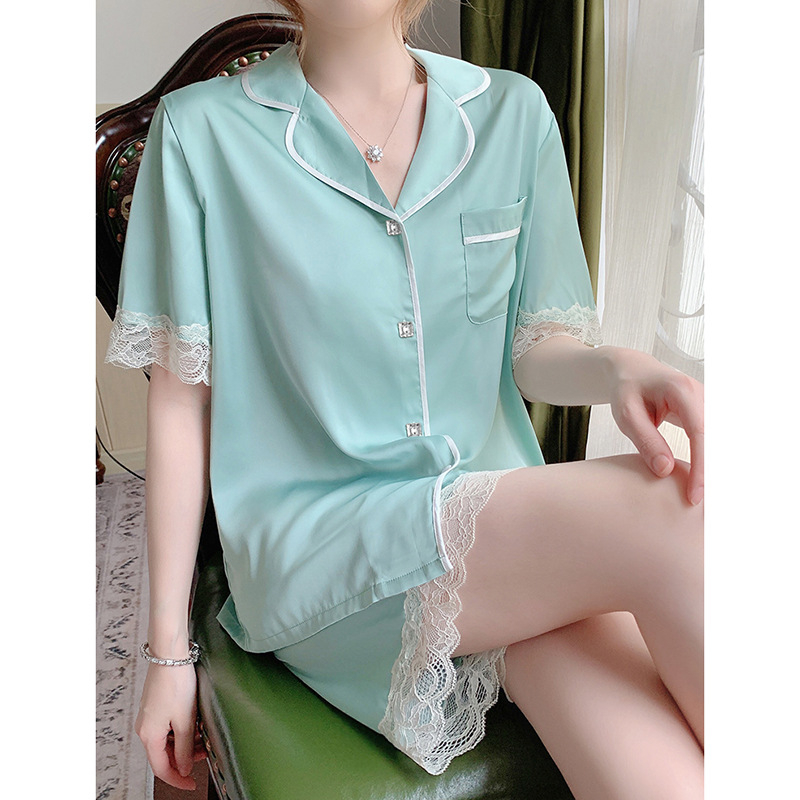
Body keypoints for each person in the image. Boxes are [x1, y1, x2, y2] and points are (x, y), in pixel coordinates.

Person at [103, 1, 704, 797]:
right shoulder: (201, 133)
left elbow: (535, 354)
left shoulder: (512, 113)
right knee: (670, 505)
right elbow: (183, 404)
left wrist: (617, 369)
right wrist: (167, 655)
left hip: (491, 532)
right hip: (321, 543)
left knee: (665, 776)